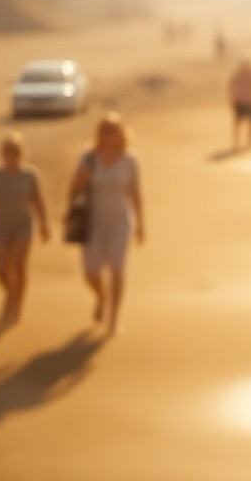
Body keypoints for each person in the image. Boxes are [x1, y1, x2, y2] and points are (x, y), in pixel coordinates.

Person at [69, 113, 145, 336]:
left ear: (121, 133)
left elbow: (135, 193)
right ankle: (101, 296)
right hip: (93, 222)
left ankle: (114, 319)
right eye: (104, 129)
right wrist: (71, 211)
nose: (108, 134)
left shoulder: (130, 160)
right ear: (98, 133)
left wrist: (141, 224)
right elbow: (74, 188)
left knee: (117, 269)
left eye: (113, 130)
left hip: (120, 220)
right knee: (90, 271)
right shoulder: (88, 158)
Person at [0, 132, 49, 324]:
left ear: (22, 153)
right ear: (2, 153)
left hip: (23, 225)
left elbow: (38, 202)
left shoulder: (30, 175)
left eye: (16, 151)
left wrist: (44, 225)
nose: (12, 155)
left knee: (19, 265)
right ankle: (11, 294)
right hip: (0, 227)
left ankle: (18, 306)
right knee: (0, 269)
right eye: (8, 151)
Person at [227, 60, 251, 151]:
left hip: (241, 101)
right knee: (250, 122)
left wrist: (230, 99)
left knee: (239, 123)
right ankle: (248, 141)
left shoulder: (237, 75)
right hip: (249, 101)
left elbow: (230, 87)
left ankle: (238, 142)